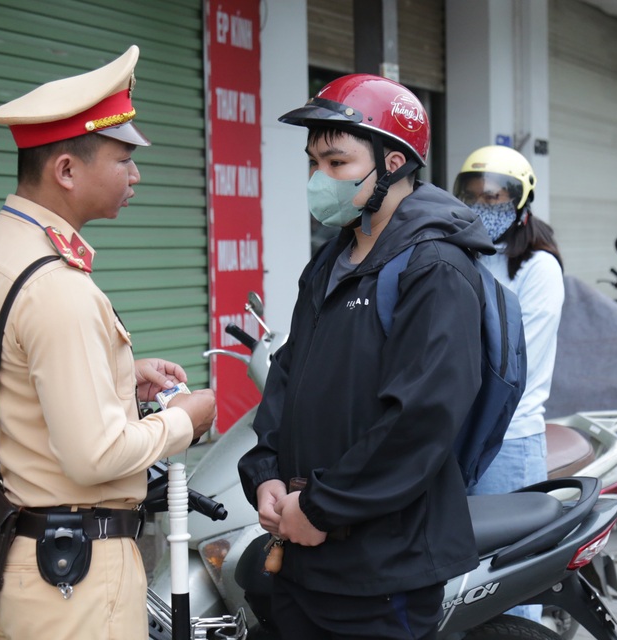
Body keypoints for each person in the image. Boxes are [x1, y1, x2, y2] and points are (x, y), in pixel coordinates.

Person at [0, 45, 217, 639]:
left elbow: (9, 377)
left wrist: (117, 375)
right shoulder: (56, 286)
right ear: (66, 170)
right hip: (70, 579)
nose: (136, 174)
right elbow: (94, 455)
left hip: (0, 554)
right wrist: (186, 422)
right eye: (124, 158)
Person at [237, 74, 492, 640]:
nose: (317, 180)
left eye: (336, 163)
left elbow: (420, 419)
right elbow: (287, 375)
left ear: (394, 161)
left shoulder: (435, 268)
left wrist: (323, 508)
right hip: (303, 556)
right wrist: (266, 475)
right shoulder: (329, 262)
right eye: (313, 164)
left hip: (381, 569)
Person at [452, 144, 564, 623]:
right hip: (458, 436)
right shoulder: (466, 256)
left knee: (511, 586)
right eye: (473, 196)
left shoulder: (538, 269)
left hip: (509, 441)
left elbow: (513, 368)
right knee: (462, 582)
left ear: (521, 203)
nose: (484, 206)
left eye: (495, 197)